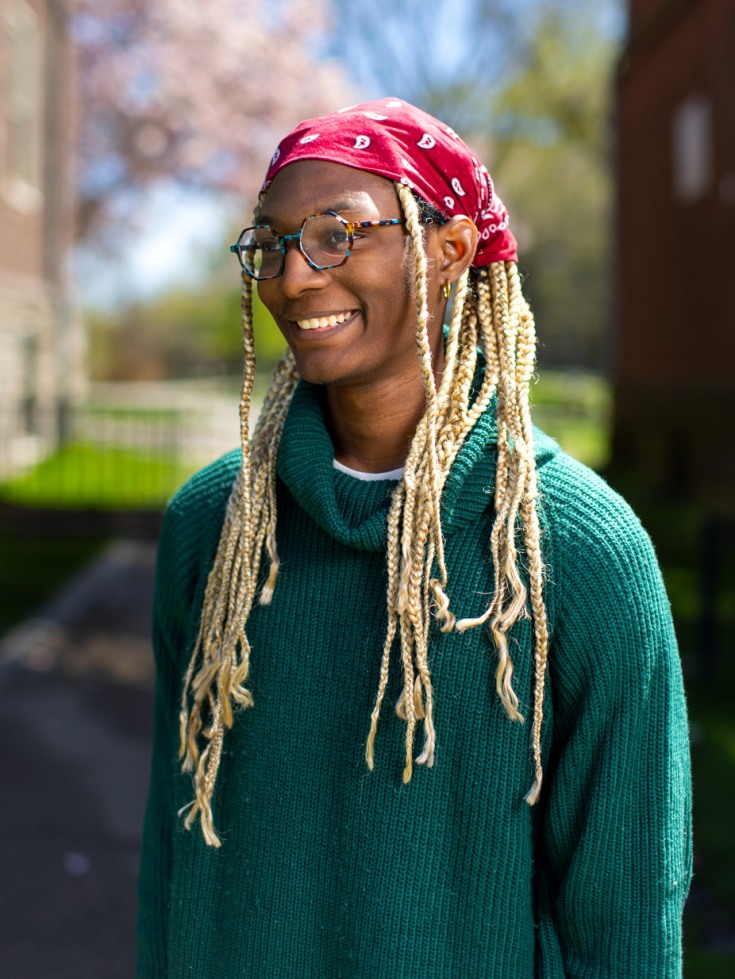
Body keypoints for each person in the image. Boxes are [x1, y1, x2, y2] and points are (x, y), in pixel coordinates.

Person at [137, 98, 692, 977]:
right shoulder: (216, 525)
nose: (293, 276)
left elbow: (625, 901)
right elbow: (171, 843)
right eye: (271, 241)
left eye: (337, 233)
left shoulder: (575, 546)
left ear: (452, 248)